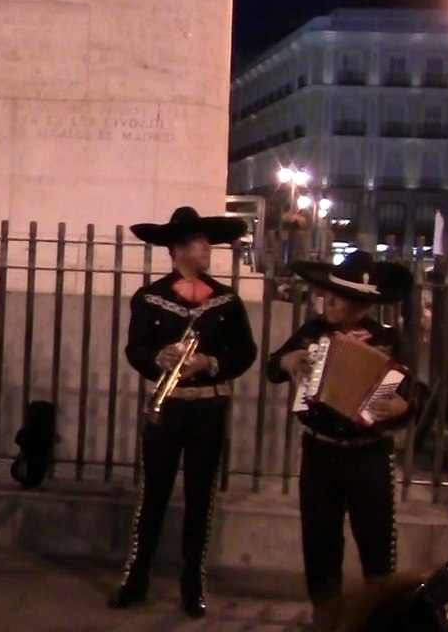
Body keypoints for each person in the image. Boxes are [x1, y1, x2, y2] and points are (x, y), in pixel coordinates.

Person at [111, 206, 257, 618]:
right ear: (178, 250)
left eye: (207, 241)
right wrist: (159, 356)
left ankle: (193, 584)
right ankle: (135, 578)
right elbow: (134, 348)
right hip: (169, 406)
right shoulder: (150, 297)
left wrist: (210, 362)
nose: (207, 248)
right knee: (153, 496)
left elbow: (245, 352)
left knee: (200, 498)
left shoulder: (226, 300)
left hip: (209, 407)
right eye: (198, 242)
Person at [265, 250, 418, 631]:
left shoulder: (388, 342)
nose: (327, 301)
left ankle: (378, 619)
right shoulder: (312, 333)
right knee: (320, 543)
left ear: (361, 304)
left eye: (337, 296)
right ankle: (325, 617)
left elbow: (409, 396)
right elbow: (273, 366)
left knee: (377, 544)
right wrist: (287, 361)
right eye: (325, 294)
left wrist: (400, 408)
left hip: (369, 456)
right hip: (320, 450)